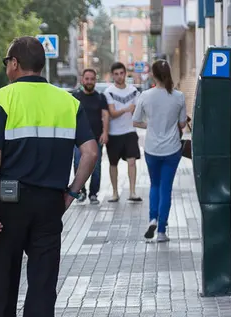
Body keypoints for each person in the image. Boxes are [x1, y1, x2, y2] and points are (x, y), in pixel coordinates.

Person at [0, 36, 98, 317]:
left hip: (7, 205)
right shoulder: (67, 101)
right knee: (42, 289)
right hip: (48, 205)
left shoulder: (2, 99)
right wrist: (72, 192)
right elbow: (89, 152)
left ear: (14, 63)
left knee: (3, 286)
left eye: (5, 63)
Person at [132, 59, 187, 242]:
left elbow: (136, 121)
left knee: (154, 185)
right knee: (166, 188)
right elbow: (182, 124)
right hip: (172, 149)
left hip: (152, 148)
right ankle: (162, 231)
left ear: (153, 75)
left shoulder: (145, 96)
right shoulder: (178, 96)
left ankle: (152, 218)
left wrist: (150, 125)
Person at [104, 62, 142, 202]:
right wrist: (127, 109)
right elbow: (112, 113)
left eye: (121, 73)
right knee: (113, 164)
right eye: (116, 74)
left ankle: (132, 192)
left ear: (125, 73)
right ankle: (115, 193)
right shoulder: (109, 92)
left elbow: (137, 110)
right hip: (114, 134)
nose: (119, 76)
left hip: (130, 132)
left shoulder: (133, 91)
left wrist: (130, 110)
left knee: (132, 162)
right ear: (112, 75)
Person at [72, 68, 110, 204]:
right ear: (82, 80)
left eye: (92, 79)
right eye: (86, 79)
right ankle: (80, 192)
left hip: (96, 138)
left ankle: (93, 194)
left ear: (95, 80)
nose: (89, 81)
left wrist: (105, 132)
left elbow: (105, 115)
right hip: (78, 139)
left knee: (96, 167)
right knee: (78, 164)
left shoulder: (101, 97)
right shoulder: (75, 97)